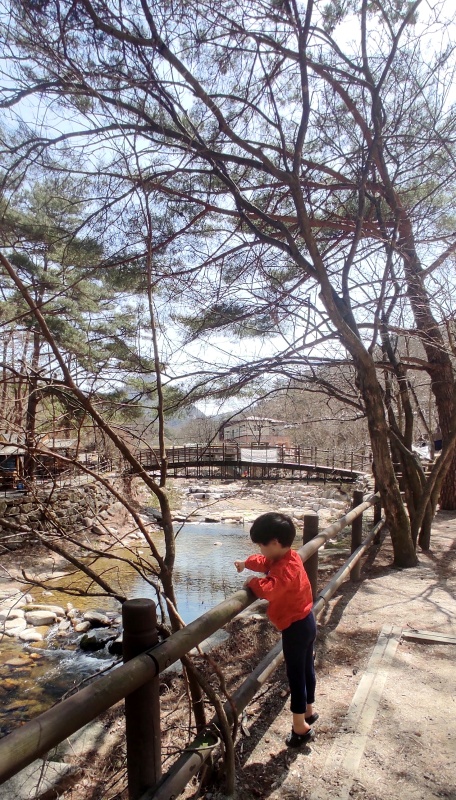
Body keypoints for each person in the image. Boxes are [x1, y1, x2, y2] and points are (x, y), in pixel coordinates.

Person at [234, 512, 317, 748]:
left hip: (296, 628)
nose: (260, 549)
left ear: (275, 543)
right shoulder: (286, 557)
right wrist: (245, 563)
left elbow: (269, 589)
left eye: (261, 544)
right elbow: (263, 562)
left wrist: (251, 582)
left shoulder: (285, 569)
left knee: (296, 675)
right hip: (306, 621)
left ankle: (300, 726)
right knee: (307, 669)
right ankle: (309, 710)